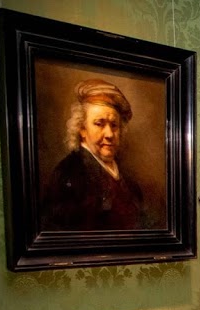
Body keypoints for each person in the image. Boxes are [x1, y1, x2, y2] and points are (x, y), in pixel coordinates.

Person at [41, 78, 150, 231]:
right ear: (82, 129)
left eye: (114, 125)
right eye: (99, 124)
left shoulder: (130, 183)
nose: (109, 134)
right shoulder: (68, 175)